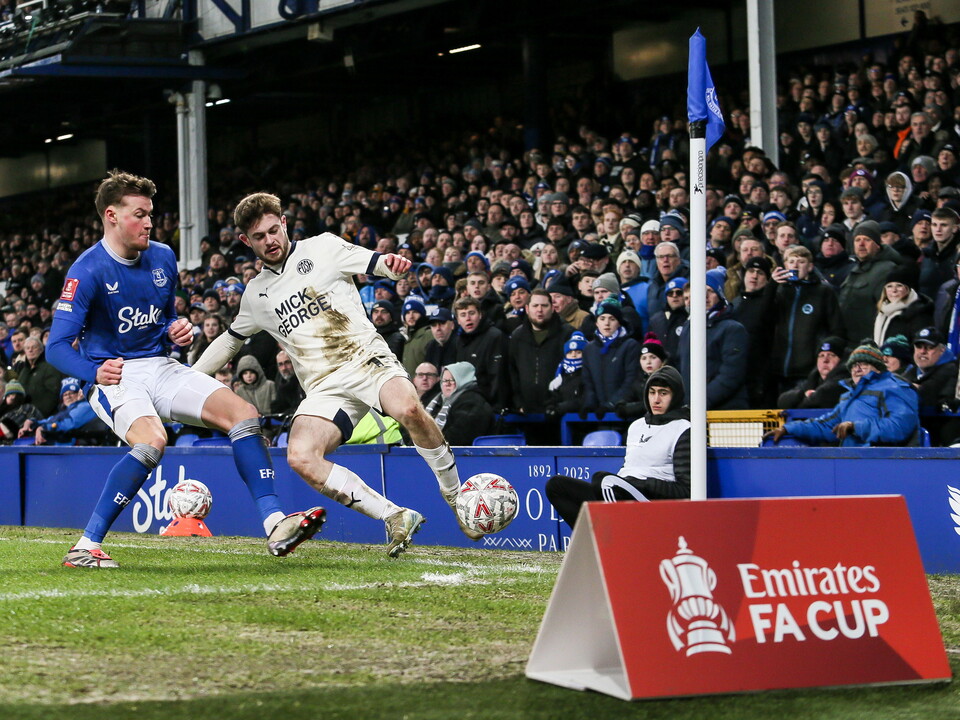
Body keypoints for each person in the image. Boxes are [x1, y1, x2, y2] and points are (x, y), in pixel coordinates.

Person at [45, 171, 325, 568]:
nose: (149, 222)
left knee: (244, 415)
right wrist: (93, 373)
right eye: (139, 214)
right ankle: (86, 546)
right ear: (111, 216)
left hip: (162, 366)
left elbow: (166, 321)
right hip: (119, 376)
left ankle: (275, 522)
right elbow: (55, 347)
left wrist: (178, 331)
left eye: (151, 214)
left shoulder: (162, 256)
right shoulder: (86, 270)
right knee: (152, 441)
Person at [193, 191, 484, 550]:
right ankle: (394, 515)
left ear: (284, 223)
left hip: (365, 359)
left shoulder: (323, 248)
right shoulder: (255, 295)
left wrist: (391, 265)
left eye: (273, 230)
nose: (269, 241)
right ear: (245, 241)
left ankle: (455, 497)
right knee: (300, 456)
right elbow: (230, 340)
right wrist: (189, 377)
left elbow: (375, 262)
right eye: (259, 237)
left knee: (409, 409)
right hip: (324, 388)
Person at [546, 366, 691, 528]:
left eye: (663, 393)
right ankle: (597, 541)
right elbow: (629, 468)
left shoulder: (683, 428)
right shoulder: (636, 426)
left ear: (675, 395)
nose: (656, 399)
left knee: (603, 480)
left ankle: (619, 539)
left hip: (651, 502)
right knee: (556, 485)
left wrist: (643, 484)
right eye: (652, 392)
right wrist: (626, 483)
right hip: (621, 491)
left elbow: (686, 490)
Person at [764, 340, 920, 447]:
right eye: (853, 366)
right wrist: (789, 429)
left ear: (878, 368)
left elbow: (900, 427)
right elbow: (826, 425)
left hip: (886, 462)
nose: (857, 369)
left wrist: (856, 427)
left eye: (864, 364)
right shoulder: (848, 396)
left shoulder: (894, 387)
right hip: (853, 461)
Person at [17, 377, 109, 445]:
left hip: (80, 452)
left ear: (79, 394)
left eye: (72, 393)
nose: (68, 396)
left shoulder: (85, 406)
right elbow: (51, 420)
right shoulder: (64, 412)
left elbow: (69, 423)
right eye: (65, 394)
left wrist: (44, 428)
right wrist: (32, 423)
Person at [777, 337, 850, 409]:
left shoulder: (845, 379)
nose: (825, 360)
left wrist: (798, 405)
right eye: (821, 356)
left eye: (831, 355)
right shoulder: (814, 379)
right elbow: (782, 401)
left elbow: (822, 396)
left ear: (841, 360)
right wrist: (803, 395)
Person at [433, 362, 494, 446]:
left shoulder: (472, 402)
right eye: (444, 380)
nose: (447, 384)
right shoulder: (437, 400)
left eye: (453, 379)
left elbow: (459, 437)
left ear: (465, 379)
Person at [271, 349, 305, 415]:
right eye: (280, 364)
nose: (284, 368)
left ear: (294, 362)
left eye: (287, 362)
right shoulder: (280, 383)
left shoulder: (303, 381)